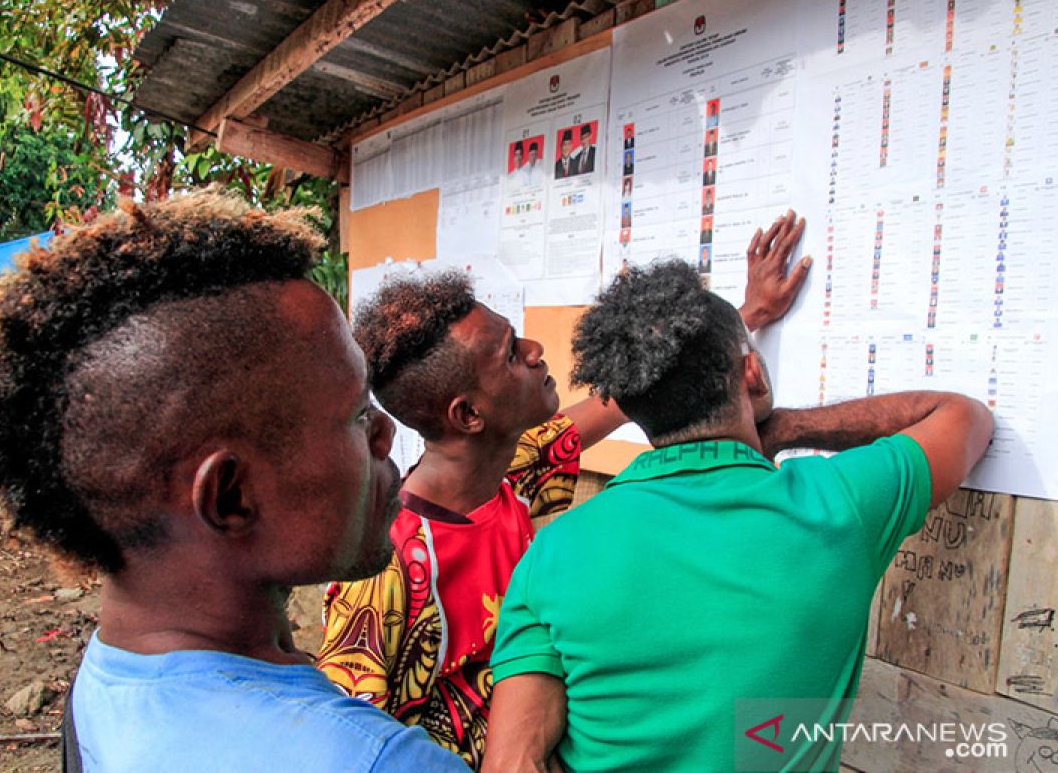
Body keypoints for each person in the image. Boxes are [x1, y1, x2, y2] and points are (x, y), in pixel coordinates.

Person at [0, 190, 468, 771]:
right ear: (231, 497)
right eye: (355, 415)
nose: (384, 433)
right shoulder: (371, 760)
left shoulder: (112, 674)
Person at [483, 215, 994, 773]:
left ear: (628, 403)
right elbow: (963, 417)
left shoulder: (551, 554)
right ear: (751, 374)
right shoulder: (837, 504)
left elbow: (510, 762)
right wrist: (789, 428)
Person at [316, 217, 812, 769]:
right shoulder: (388, 566)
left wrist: (744, 321)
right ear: (469, 414)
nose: (534, 351)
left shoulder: (508, 470)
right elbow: (342, 741)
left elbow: (639, 386)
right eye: (509, 354)